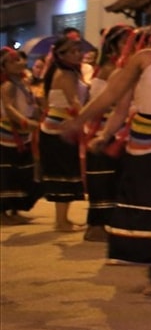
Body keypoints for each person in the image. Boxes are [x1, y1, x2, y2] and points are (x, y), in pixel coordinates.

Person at [69, 12, 151, 294]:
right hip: (143, 142)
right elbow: (115, 99)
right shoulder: (143, 60)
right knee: (146, 210)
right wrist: (102, 132)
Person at [81, 25, 136, 242]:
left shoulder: (123, 67)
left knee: (115, 178)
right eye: (125, 42)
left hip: (117, 129)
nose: (129, 47)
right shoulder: (109, 69)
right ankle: (97, 226)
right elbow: (105, 103)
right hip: (104, 129)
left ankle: (109, 224)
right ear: (113, 45)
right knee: (103, 179)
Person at [33, 36, 88, 231]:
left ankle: (62, 219)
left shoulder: (66, 71)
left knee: (65, 172)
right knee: (63, 173)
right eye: (72, 51)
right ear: (60, 54)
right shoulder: (65, 74)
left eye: (78, 50)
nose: (77, 54)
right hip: (59, 128)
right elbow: (74, 103)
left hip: (59, 127)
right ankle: (61, 221)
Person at [1, 47, 42, 224]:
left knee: (21, 172)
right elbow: (9, 108)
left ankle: (15, 209)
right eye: (13, 61)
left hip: (20, 135)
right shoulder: (8, 84)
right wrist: (26, 122)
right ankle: (2, 214)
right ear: (3, 67)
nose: (20, 63)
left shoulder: (21, 82)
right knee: (7, 174)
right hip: (8, 134)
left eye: (20, 60)